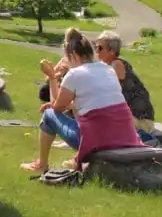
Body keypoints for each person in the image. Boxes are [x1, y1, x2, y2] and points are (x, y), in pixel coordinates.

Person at [21, 32, 143, 173]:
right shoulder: (108, 69)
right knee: (84, 114)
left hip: (98, 141)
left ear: (73, 55)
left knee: (48, 115)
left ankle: (42, 164)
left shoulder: (75, 74)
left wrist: (52, 78)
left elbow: (56, 108)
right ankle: (76, 158)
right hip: (125, 136)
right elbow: (94, 102)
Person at [95, 30, 157, 142]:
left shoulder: (116, 65)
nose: (96, 51)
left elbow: (100, 88)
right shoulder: (107, 66)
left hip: (142, 122)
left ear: (112, 51)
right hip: (130, 118)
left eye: (100, 48)